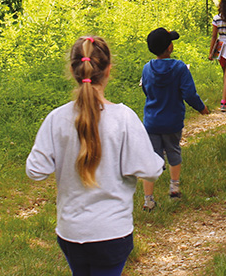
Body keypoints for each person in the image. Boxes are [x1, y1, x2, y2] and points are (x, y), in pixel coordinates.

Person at [26, 36, 165, 276]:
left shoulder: (56, 119)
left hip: (71, 232)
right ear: (109, 70)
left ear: (72, 70)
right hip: (112, 232)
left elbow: (35, 170)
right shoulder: (123, 118)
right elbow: (151, 170)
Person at [140, 27, 210, 210]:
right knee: (173, 151)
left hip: (152, 122)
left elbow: (146, 89)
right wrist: (201, 108)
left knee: (151, 158)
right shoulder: (179, 67)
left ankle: (148, 199)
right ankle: (174, 188)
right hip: (172, 121)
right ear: (170, 47)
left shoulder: (147, 68)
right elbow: (189, 93)